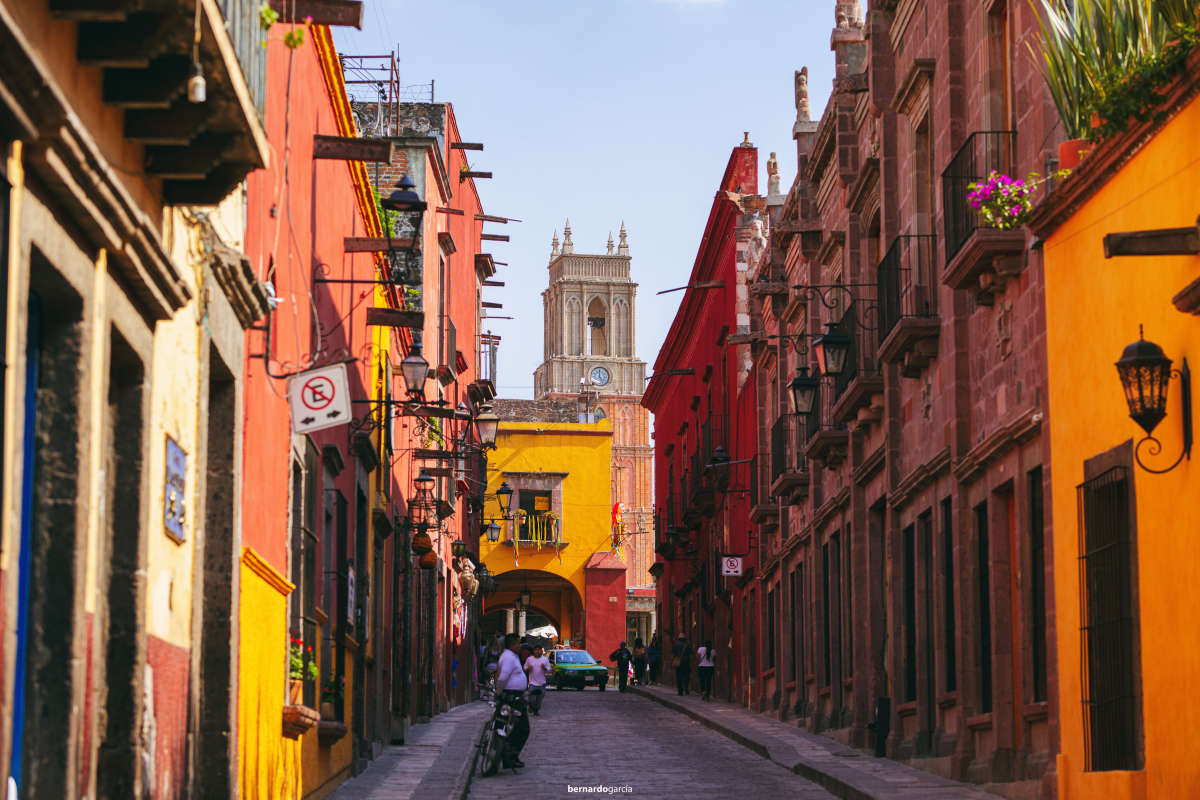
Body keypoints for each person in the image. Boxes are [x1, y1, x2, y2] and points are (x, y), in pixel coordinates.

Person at [496, 633, 530, 768]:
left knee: (515, 727)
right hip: (511, 697)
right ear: (512, 644)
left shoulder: (511, 656)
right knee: (522, 728)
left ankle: (510, 756)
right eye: (518, 643)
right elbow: (502, 677)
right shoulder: (509, 657)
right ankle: (509, 755)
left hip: (516, 696)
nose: (520, 646)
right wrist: (498, 691)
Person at [524, 645, 551, 715]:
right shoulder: (529, 659)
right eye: (536, 650)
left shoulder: (545, 659)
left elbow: (549, 670)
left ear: (542, 651)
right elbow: (525, 668)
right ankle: (531, 706)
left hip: (542, 682)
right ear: (533, 651)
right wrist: (528, 668)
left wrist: (544, 668)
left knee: (540, 698)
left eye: (539, 650)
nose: (537, 651)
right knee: (532, 698)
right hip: (532, 682)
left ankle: (536, 710)